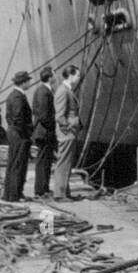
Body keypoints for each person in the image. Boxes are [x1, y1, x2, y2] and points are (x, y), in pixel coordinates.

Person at [52, 65, 83, 200]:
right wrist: (68, 129)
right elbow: (59, 115)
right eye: (77, 75)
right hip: (67, 133)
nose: (79, 77)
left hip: (69, 132)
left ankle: (65, 192)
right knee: (64, 163)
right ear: (70, 75)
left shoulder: (66, 90)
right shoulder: (63, 91)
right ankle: (59, 194)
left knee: (67, 163)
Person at [2, 71, 33, 202]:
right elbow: (18, 118)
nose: (30, 83)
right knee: (18, 165)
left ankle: (11, 193)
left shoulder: (14, 96)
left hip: (15, 133)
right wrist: (27, 133)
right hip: (19, 135)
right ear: (24, 82)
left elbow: (10, 117)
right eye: (28, 81)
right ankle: (14, 194)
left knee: (14, 164)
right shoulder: (18, 97)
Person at [30, 66, 56, 198]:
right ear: (50, 77)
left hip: (45, 131)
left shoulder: (43, 90)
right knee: (42, 161)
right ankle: (40, 189)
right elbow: (44, 115)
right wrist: (54, 126)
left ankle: (44, 188)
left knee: (46, 161)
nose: (55, 77)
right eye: (54, 75)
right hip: (44, 132)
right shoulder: (43, 92)